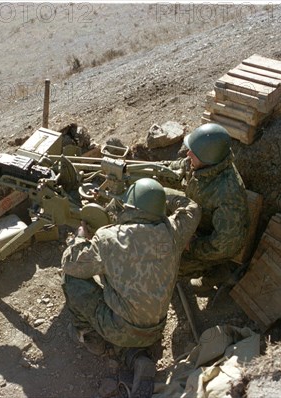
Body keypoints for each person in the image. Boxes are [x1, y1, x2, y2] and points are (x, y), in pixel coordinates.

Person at [61, 178, 201, 393]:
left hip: (120, 329)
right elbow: (191, 206)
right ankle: (136, 355)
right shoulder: (174, 232)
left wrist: (80, 238)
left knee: (72, 279)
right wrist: (159, 194)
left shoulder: (107, 239)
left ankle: (90, 336)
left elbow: (71, 264)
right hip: (155, 329)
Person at [163, 123, 249, 289]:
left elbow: (224, 246)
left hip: (213, 242)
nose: (188, 154)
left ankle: (217, 272)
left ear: (208, 158)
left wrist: (192, 246)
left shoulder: (228, 197)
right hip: (198, 215)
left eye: (193, 153)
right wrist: (148, 171)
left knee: (169, 261)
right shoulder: (201, 162)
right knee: (161, 195)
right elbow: (174, 170)